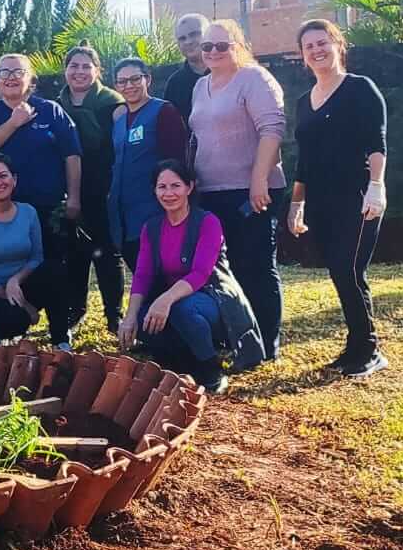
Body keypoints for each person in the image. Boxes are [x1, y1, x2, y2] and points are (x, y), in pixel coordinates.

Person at [287, 19, 389, 378]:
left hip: (357, 196)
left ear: (338, 44)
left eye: (322, 42)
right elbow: (304, 159)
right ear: (302, 55)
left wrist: (377, 185)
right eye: (309, 46)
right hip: (321, 200)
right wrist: (296, 203)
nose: (317, 50)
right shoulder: (303, 102)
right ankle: (355, 347)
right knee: (339, 271)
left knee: (349, 269)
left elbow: (377, 143)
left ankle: (369, 350)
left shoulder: (360, 89)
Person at [117, 160, 264, 393]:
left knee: (181, 310)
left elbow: (200, 273)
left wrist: (165, 300)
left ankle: (211, 370)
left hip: (213, 298)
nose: (168, 193)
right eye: (162, 187)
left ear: (189, 187)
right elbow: (143, 274)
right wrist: (130, 316)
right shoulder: (151, 228)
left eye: (175, 185)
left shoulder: (208, 222)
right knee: (144, 320)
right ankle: (181, 363)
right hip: (175, 300)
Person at [189, 19, 286, 359]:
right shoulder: (200, 86)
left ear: (238, 46)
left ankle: (267, 342)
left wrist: (259, 180)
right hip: (211, 192)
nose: (213, 52)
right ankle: (238, 336)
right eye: (207, 46)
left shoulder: (255, 78)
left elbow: (272, 129)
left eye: (222, 45)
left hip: (251, 191)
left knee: (255, 266)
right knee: (223, 268)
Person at [0, 53, 82, 351]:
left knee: (54, 268)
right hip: (3, 211)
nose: (10, 77)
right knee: (6, 264)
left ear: (30, 77)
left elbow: (72, 155)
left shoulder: (51, 110)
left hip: (48, 208)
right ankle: (7, 323)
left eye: (18, 72)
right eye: (4, 72)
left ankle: (60, 336)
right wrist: (13, 122)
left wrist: (74, 196)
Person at [58, 45, 126, 334]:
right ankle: (75, 310)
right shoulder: (56, 106)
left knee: (107, 253)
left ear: (97, 70)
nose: (80, 71)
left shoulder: (113, 104)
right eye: (74, 66)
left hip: (105, 188)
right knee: (74, 253)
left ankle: (114, 315)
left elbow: (122, 147)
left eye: (86, 66)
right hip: (67, 189)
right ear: (65, 70)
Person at [0, 154, 62, 344]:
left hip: (23, 284)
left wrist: (15, 280)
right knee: (13, 320)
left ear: (14, 179)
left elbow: (36, 257)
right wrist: (22, 304)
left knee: (56, 271)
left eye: (3, 175)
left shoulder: (28, 212)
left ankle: (61, 340)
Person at [106, 57, 188, 269]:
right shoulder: (119, 121)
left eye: (135, 79)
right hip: (125, 219)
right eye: (122, 81)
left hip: (157, 213)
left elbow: (177, 163)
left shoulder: (164, 112)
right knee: (141, 277)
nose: (129, 85)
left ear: (148, 79)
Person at [163, 11, 209, 125]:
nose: (188, 42)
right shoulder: (175, 84)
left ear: (209, 34)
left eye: (194, 34)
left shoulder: (230, 73)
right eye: (182, 38)